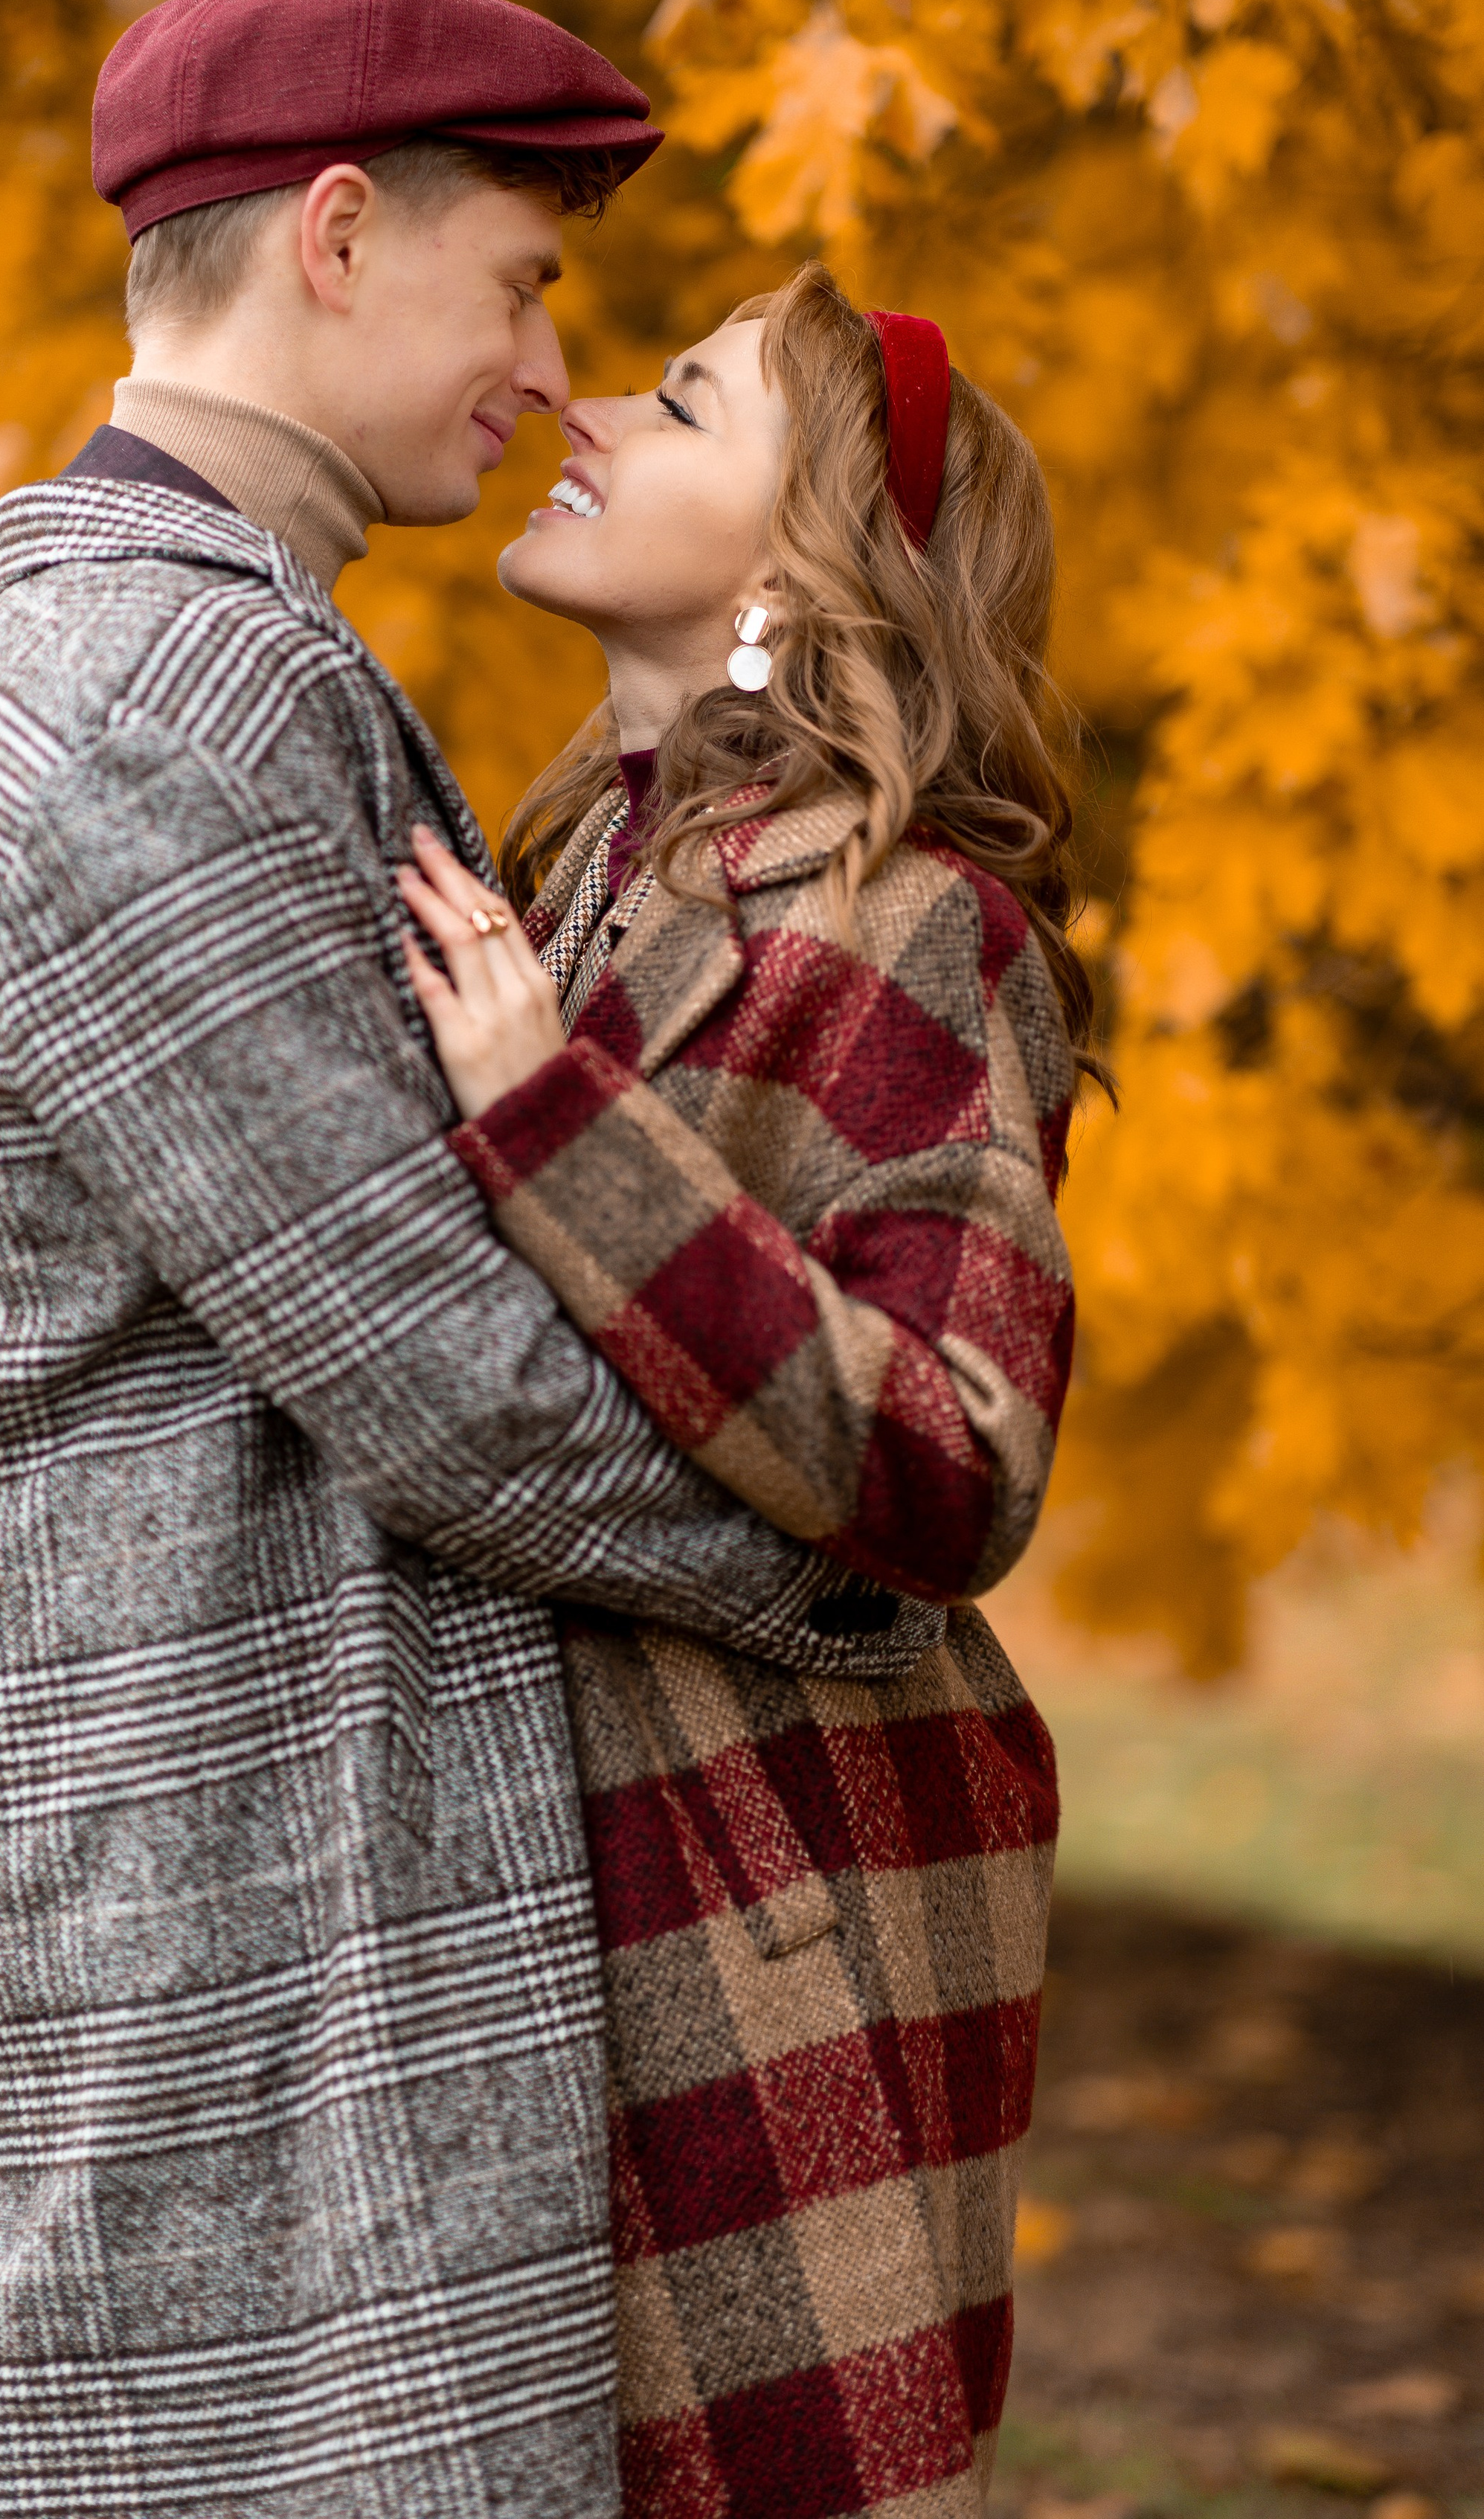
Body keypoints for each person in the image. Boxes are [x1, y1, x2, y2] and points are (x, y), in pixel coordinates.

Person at [0, 0, 911, 2519]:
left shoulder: (225, 657)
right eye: (527, 280)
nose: (551, 366)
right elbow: (434, 1369)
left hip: (266, 1877)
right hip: (232, 1904)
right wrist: (862, 1580)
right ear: (338, 235)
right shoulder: (153, 695)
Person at [396, 263, 1094, 2519]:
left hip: (773, 1889)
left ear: (806, 564)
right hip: (530, 1867)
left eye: (676, 400)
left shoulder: (918, 929)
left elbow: (953, 1462)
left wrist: (556, 1122)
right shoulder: (548, 864)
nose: (578, 405)